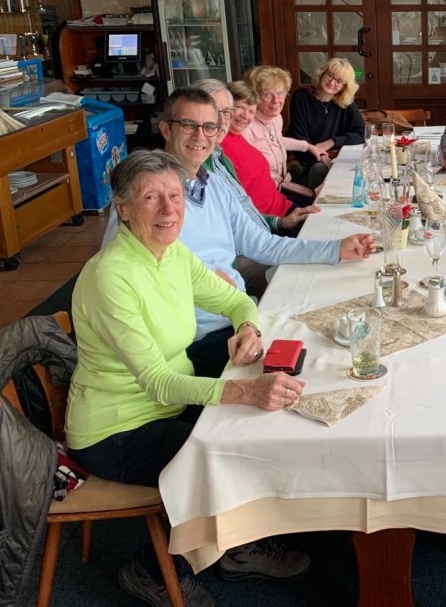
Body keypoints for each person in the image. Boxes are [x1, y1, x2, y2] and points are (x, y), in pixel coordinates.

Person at [68, 150, 311, 607]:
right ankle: (150, 570)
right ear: (123, 208)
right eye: (151, 198)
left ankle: (233, 536)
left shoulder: (171, 253)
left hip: (166, 405)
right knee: (224, 458)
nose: (168, 209)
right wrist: (244, 390)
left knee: (252, 431)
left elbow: (236, 300)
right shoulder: (110, 276)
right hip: (115, 430)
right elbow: (157, 381)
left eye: (175, 196)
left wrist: (248, 328)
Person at [102, 88, 375, 379]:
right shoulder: (145, 200)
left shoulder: (214, 183)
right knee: (317, 370)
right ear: (166, 129)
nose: (200, 136)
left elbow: (262, 244)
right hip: (197, 339)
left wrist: (334, 249)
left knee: (335, 337)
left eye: (209, 126)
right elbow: (124, 279)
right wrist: (201, 287)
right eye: (189, 125)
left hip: (240, 317)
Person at [221, 79, 318, 223]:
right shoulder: (219, 145)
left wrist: (308, 146)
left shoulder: (237, 135)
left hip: (280, 202)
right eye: (239, 107)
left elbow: (277, 142)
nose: (245, 116)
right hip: (269, 219)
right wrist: (278, 223)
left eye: (251, 111)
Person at [285, 57, 365, 188]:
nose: (332, 82)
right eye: (330, 76)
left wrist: (332, 142)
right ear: (322, 74)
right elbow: (299, 135)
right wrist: (322, 156)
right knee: (321, 170)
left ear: (344, 86)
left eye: (339, 81)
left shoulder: (346, 102)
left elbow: (361, 133)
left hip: (336, 155)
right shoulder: (301, 96)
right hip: (306, 156)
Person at [241, 65, 324, 186]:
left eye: (280, 93)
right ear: (254, 97)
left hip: (281, 183)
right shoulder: (246, 127)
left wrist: (309, 147)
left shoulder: (276, 119)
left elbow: (278, 141)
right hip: (262, 190)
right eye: (267, 94)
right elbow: (246, 171)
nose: (276, 100)